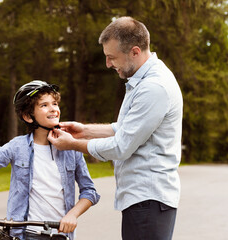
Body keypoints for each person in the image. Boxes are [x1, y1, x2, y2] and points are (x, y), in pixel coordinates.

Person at [47, 16, 183, 240]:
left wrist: (72, 144)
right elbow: (128, 129)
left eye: (112, 57)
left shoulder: (153, 88)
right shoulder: (145, 80)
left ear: (135, 51)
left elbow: (122, 147)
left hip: (148, 201)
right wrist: (84, 130)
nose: (108, 64)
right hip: (144, 201)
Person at [0, 80, 100, 240]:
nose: (53, 109)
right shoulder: (17, 147)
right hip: (24, 235)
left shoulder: (71, 148)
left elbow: (90, 191)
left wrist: (72, 215)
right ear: (27, 116)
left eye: (55, 103)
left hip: (60, 234)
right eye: (44, 105)